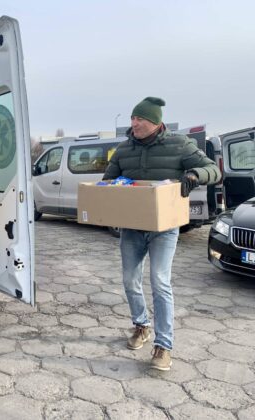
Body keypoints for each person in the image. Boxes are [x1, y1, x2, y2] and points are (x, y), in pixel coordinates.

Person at [103, 97, 221, 371]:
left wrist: (194, 175)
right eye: (132, 119)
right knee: (130, 279)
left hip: (164, 228)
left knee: (159, 281)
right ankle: (141, 326)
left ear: (155, 122)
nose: (134, 124)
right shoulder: (123, 149)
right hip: (132, 226)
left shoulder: (179, 144)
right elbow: (108, 181)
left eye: (139, 119)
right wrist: (110, 188)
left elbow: (213, 170)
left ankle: (164, 345)